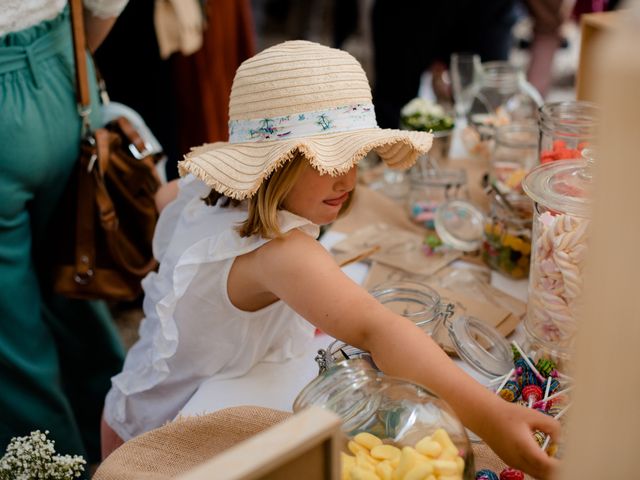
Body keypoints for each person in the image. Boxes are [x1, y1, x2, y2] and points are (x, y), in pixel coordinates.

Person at [101, 40, 559, 479]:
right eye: (327, 161)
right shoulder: (284, 252)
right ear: (275, 165)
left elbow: (164, 199)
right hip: (163, 438)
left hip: (131, 401)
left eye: (355, 156)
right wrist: (494, 415)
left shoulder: (204, 191)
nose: (349, 178)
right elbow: (380, 329)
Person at [0, 0, 127, 470]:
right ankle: (126, 447)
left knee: (10, 331)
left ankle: (53, 465)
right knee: (75, 280)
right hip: (67, 72)